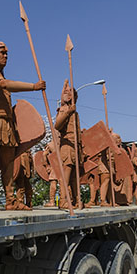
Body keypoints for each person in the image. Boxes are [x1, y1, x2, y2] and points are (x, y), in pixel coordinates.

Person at [0, 37, 45, 212]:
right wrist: (34, 87)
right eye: (2, 52)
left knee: (9, 162)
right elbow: (4, 85)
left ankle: (10, 200)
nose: (6, 55)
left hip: (6, 122)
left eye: (7, 52)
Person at [54, 81, 83, 209]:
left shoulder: (75, 112)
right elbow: (57, 125)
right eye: (65, 92)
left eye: (69, 92)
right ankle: (63, 200)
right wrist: (67, 112)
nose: (67, 94)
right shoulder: (65, 109)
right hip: (67, 144)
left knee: (74, 176)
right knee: (66, 175)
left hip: (75, 145)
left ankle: (76, 199)